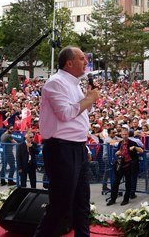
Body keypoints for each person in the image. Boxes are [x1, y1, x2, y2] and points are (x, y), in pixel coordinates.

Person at [35, 46, 100, 237]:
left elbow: (82, 113)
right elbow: (65, 114)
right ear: (69, 62)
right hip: (61, 149)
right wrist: (89, 99)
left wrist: (89, 99)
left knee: (82, 203)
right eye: (82, 58)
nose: (86, 62)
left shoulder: (75, 84)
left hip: (78, 148)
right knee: (60, 205)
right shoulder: (55, 83)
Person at [107, 127, 144, 206]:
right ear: (121, 134)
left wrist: (134, 148)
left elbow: (141, 150)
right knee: (115, 183)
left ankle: (126, 199)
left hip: (129, 165)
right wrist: (117, 153)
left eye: (126, 134)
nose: (124, 136)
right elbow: (119, 151)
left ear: (128, 134)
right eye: (123, 134)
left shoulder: (132, 142)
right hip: (121, 165)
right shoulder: (120, 143)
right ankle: (113, 199)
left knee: (128, 183)